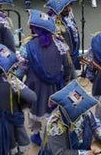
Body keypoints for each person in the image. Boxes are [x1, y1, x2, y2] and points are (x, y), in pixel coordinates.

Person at [19, 10, 76, 146]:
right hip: (55, 86)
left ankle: (36, 134)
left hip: (34, 86)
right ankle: (52, 135)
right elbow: (68, 66)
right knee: (54, 111)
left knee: (34, 110)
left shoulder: (27, 47)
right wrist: (67, 79)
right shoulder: (61, 45)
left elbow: (22, 69)